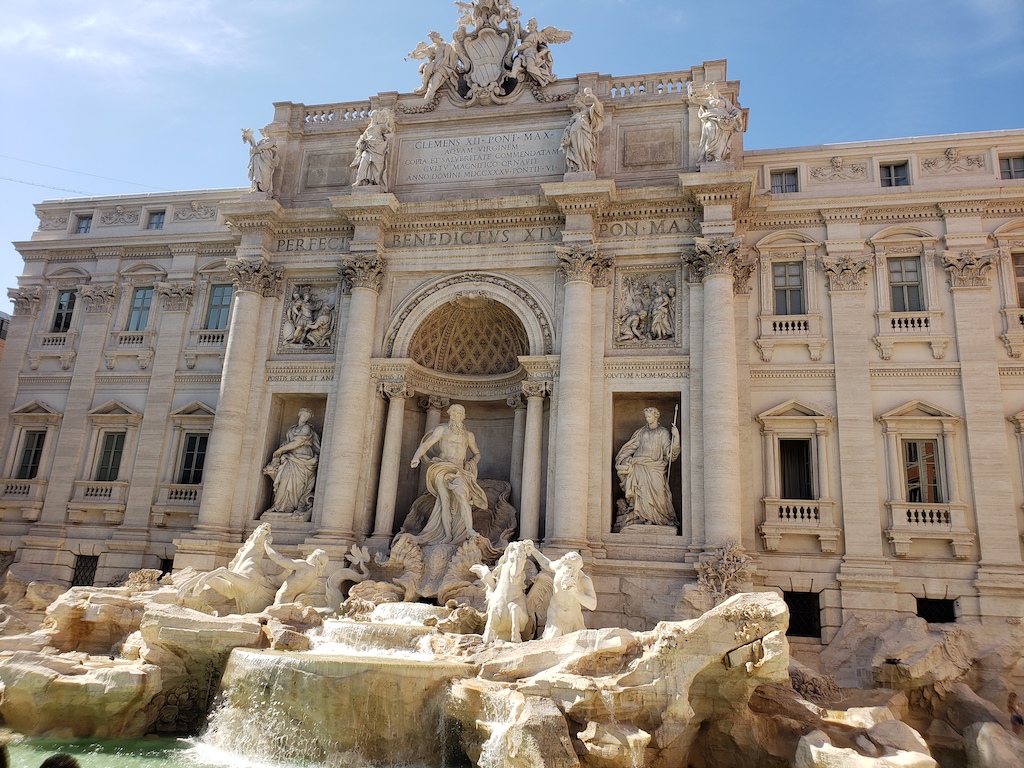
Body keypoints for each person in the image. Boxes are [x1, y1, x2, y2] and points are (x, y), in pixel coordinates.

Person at [409, 404, 487, 545]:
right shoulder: (442, 430)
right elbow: (426, 445)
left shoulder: (468, 435)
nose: (458, 416)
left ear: (463, 416)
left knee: (462, 495)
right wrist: (416, 457)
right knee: (444, 501)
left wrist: (471, 464)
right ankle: (447, 535)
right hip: (442, 467)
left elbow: (477, 453)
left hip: (459, 469)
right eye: (455, 413)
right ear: (450, 414)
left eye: (460, 413)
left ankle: (469, 529)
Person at [615, 407, 680, 527]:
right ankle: (642, 517)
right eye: (646, 417)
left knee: (660, 494)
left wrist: (676, 438)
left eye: (649, 416)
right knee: (640, 492)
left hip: (655, 467)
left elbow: (669, 453)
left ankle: (660, 518)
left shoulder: (663, 432)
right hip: (639, 465)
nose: (647, 419)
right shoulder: (642, 432)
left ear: (656, 417)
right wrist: (621, 458)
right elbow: (632, 446)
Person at [263, 408, 321, 518]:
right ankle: (280, 506)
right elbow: (289, 442)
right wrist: (282, 451)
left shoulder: (306, 428)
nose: (305, 418)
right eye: (304, 415)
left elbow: (299, 442)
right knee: (284, 481)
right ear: (299, 414)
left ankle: (291, 507)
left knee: (298, 485)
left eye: (307, 417)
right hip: (290, 458)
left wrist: (281, 450)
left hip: (303, 460)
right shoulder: (292, 429)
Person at [530, 547, 597, 639]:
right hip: (555, 614)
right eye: (569, 567)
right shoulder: (559, 566)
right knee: (550, 642)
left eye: (575, 570)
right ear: (564, 564)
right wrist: (533, 550)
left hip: (574, 617)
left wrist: (575, 592)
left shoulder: (584, 580)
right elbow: (546, 563)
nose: (572, 571)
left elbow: (592, 605)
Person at [687, 82, 744, 163]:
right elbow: (695, 99)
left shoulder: (724, 101)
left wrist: (737, 114)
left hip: (724, 122)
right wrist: (690, 90)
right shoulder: (708, 101)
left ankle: (717, 156)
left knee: (721, 140)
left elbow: (733, 110)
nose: (710, 91)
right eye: (709, 89)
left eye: (711, 88)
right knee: (710, 133)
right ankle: (709, 154)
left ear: (715, 89)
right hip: (711, 120)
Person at [264, 544, 329, 605]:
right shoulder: (314, 578)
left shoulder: (304, 565)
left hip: (283, 598)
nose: (309, 556)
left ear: (315, 557)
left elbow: (279, 560)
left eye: (311, 555)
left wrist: (266, 545)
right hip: (292, 600)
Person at [561, 88, 604, 173]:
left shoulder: (588, 111)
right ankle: (580, 167)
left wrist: (593, 97)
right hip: (575, 133)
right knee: (577, 151)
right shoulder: (576, 115)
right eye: (575, 103)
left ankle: (588, 168)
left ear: (582, 101)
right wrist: (566, 135)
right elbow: (569, 126)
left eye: (577, 102)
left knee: (587, 150)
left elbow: (598, 109)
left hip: (585, 133)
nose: (576, 105)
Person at [409, 32, 461, 102]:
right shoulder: (433, 47)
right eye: (431, 39)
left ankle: (428, 97)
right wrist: (415, 55)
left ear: (437, 37)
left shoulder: (446, 46)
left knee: (433, 83)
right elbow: (425, 53)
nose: (432, 40)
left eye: (433, 38)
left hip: (444, 67)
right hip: (435, 65)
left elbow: (445, 58)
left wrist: (438, 66)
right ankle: (424, 86)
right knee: (427, 67)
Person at [351, 108, 394, 190]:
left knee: (375, 165)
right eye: (373, 116)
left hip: (377, 148)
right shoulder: (367, 129)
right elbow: (361, 140)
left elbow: (390, 126)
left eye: (375, 116)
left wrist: (388, 113)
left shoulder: (380, 127)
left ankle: (372, 182)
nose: (374, 117)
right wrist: (361, 143)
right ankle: (359, 180)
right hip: (368, 147)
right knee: (364, 162)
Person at [241, 127, 280, 195]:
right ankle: (256, 187)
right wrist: (250, 139)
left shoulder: (272, 139)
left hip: (266, 159)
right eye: (266, 131)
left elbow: (269, 145)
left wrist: (259, 148)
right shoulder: (261, 141)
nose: (267, 132)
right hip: (258, 158)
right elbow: (254, 147)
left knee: (265, 172)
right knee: (257, 173)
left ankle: (264, 188)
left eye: (268, 130)